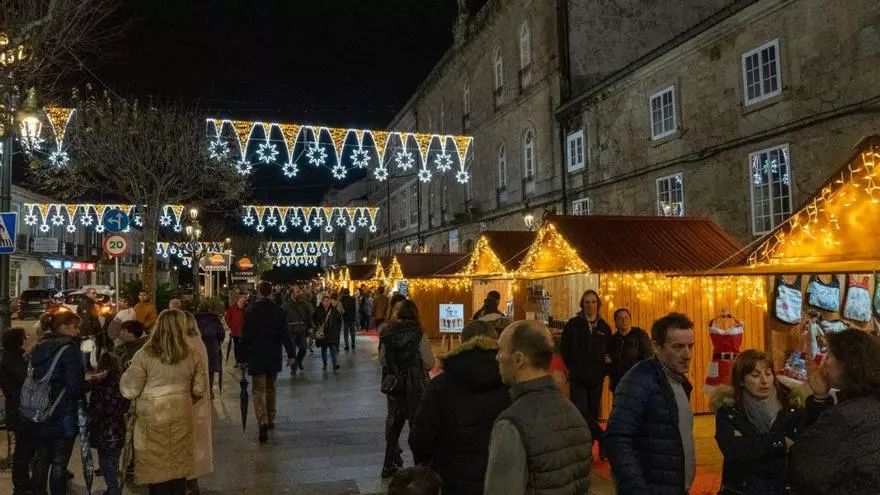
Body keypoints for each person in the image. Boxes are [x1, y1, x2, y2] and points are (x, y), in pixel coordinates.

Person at [484, 320, 592, 494]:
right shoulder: (574, 414)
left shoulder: (512, 425)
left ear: (518, 359)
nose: (497, 357)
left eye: (501, 350)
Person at [409, 320, 509, 495]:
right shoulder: (510, 382)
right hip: (502, 477)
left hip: (452, 479)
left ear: (462, 342)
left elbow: (420, 438)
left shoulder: (440, 385)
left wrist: (431, 466)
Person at [604, 312, 696, 495]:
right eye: (678, 347)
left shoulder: (680, 381)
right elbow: (617, 440)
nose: (687, 354)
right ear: (656, 347)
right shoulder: (637, 382)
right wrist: (638, 489)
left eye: (690, 346)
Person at [120, 309, 207, 495]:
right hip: (181, 417)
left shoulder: (144, 355)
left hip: (151, 420)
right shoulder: (192, 354)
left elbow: (129, 390)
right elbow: (200, 389)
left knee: (156, 472)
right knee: (178, 468)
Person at [789, 329, 880, 494]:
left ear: (847, 363)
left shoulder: (846, 416)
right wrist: (820, 397)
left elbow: (805, 466)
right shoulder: (870, 401)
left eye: (829, 356)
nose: (823, 363)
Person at [711, 349, 808, 495]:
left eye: (768, 374)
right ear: (741, 380)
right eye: (755, 375)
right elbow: (734, 450)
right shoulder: (729, 411)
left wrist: (752, 443)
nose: (764, 381)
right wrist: (780, 443)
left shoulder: (792, 406)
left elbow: (802, 449)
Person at [26, 311, 85, 495]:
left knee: (41, 459)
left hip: (38, 411)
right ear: (63, 327)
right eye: (75, 327)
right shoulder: (69, 349)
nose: (78, 331)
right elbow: (74, 386)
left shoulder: (39, 347)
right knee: (59, 462)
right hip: (62, 413)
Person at [379, 300, 435, 478]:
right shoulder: (418, 333)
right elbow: (429, 362)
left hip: (395, 385)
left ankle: (388, 464)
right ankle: (419, 464)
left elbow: (382, 359)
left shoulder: (387, 332)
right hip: (415, 385)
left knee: (394, 425)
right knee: (416, 425)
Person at [241, 281, 295, 443]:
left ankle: (262, 420)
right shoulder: (278, 311)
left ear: (258, 292)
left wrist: (243, 358)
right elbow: (285, 334)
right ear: (271, 292)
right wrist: (291, 354)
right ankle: (271, 418)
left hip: (256, 355)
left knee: (258, 390)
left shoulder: (250, 311)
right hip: (273, 354)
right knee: (271, 388)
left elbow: (245, 337)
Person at [560, 289, 612, 444]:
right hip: (578, 377)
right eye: (587, 302)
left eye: (593, 302)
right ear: (582, 304)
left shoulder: (604, 327)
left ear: (598, 304)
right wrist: (571, 367)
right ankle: (601, 438)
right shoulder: (573, 324)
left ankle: (590, 446)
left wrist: (604, 370)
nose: (590, 305)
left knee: (592, 413)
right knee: (581, 412)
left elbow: (609, 351)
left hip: (596, 378)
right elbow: (564, 348)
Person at [86, 353, 130, 495]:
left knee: (105, 464)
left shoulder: (99, 388)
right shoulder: (121, 386)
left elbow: (95, 411)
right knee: (114, 462)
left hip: (103, 432)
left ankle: (113, 490)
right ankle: (112, 488)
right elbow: (126, 406)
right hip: (119, 429)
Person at [182, 311, 213, 494]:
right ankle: (192, 480)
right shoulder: (198, 341)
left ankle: (189, 480)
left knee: (187, 440)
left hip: (189, 399)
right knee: (195, 439)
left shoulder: (186, 344)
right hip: (197, 400)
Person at [1, 327, 34, 495]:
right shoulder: (13, 361)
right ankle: (21, 486)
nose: (27, 339)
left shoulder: (13, 358)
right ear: (18, 341)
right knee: (23, 451)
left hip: (19, 411)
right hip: (20, 412)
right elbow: (24, 382)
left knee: (25, 450)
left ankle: (24, 483)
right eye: (25, 336)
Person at [609, 308, 653, 392]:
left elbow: (648, 357)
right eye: (620, 318)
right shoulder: (613, 339)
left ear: (630, 320)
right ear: (615, 322)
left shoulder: (640, 335)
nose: (624, 320)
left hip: (636, 382)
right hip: (618, 384)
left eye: (626, 317)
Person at [195, 300, 226, 398]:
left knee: (199, 370)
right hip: (212, 349)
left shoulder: (195, 320)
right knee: (210, 370)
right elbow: (221, 334)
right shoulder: (214, 319)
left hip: (198, 349)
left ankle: (201, 390)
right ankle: (209, 390)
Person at [282, 287, 313, 375]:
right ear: (292, 293)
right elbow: (282, 318)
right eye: (297, 292)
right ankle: (294, 368)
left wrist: (310, 327)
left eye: (299, 292)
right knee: (292, 350)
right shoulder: (285, 305)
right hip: (290, 331)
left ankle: (298, 361)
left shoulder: (303, 304)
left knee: (304, 348)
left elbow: (308, 316)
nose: (299, 293)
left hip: (301, 329)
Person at [313, 295, 344, 371]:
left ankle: (335, 364)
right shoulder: (318, 311)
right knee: (324, 349)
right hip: (323, 333)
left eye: (328, 301)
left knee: (333, 348)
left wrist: (337, 329)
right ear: (322, 302)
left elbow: (339, 319)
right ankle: (325, 364)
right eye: (325, 301)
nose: (326, 303)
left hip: (331, 332)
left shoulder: (334, 310)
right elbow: (314, 319)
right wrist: (318, 326)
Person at [224, 293, 246, 367]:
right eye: (243, 298)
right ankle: (238, 361)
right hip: (235, 331)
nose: (244, 300)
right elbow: (227, 318)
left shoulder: (246, 308)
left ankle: (243, 361)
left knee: (243, 347)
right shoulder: (232, 308)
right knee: (236, 347)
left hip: (244, 332)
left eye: (245, 298)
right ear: (239, 299)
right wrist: (231, 325)